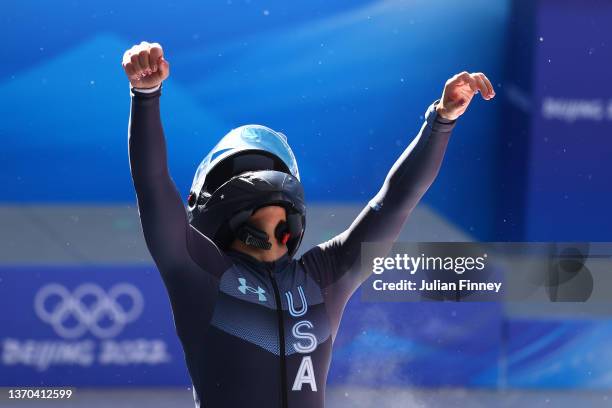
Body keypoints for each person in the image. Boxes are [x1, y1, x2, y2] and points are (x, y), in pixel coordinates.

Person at [122, 40, 495, 408]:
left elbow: (396, 201)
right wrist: (146, 94)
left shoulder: (322, 274)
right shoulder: (200, 272)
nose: (261, 181)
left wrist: (442, 119)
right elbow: (152, 183)